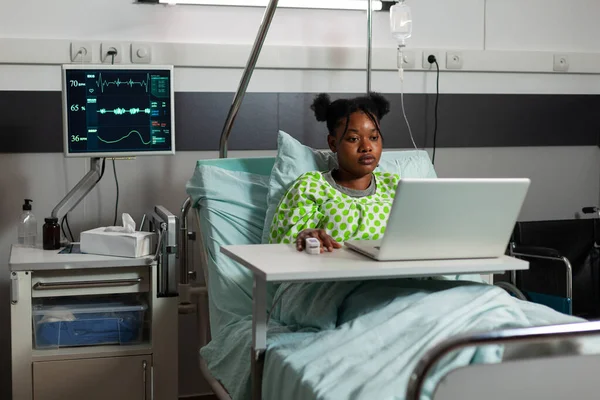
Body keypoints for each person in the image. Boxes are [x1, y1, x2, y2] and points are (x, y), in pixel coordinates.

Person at [269, 92, 399, 252]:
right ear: (333, 143)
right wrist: (305, 236)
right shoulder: (311, 187)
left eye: (373, 137)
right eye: (353, 139)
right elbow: (279, 246)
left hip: (396, 273)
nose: (366, 147)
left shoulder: (395, 186)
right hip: (334, 273)